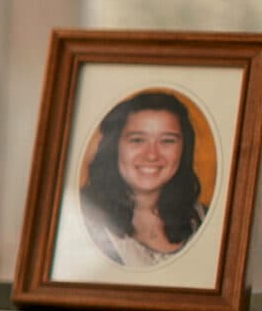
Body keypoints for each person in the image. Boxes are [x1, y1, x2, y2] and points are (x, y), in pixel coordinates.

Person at [78, 89, 208, 268]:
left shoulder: (204, 219)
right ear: (114, 147)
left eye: (167, 141)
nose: (152, 155)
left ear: (184, 149)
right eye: (137, 140)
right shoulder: (80, 217)